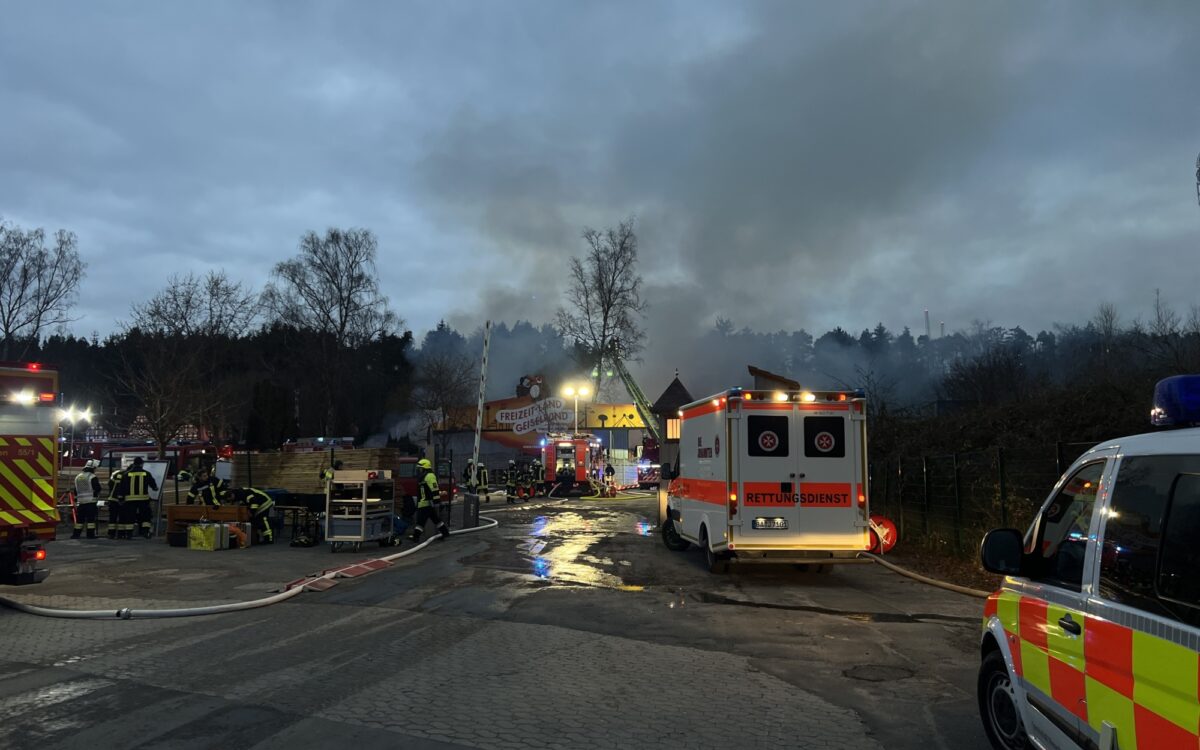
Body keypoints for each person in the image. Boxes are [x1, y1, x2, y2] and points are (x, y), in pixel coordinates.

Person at [119, 457, 158, 539]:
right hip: (143, 499)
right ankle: (145, 532)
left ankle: (128, 534)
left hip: (130, 500)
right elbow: (153, 485)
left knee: (130, 516)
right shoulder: (146, 473)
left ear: (134, 463)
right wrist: (155, 488)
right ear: (141, 464)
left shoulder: (126, 474)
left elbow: (122, 487)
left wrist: (121, 498)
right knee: (145, 516)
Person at [411, 458, 449, 542]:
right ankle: (445, 533)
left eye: (420, 468)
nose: (419, 470)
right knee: (436, 519)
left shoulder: (429, 476)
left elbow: (434, 489)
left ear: (425, 468)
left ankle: (415, 537)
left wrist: (437, 502)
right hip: (425, 503)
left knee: (421, 521)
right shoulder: (424, 476)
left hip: (426, 503)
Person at [71, 460, 102, 539]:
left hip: (81, 502)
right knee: (90, 520)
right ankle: (90, 535)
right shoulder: (92, 477)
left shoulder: (78, 477)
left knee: (79, 520)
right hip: (90, 501)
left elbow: (75, 490)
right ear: (93, 468)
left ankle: (76, 535)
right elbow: (97, 488)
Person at [106, 466, 125, 539]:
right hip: (123, 500)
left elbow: (110, 484)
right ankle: (121, 534)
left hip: (113, 498)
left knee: (112, 517)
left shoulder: (115, 473)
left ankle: (111, 534)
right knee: (122, 517)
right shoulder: (127, 475)